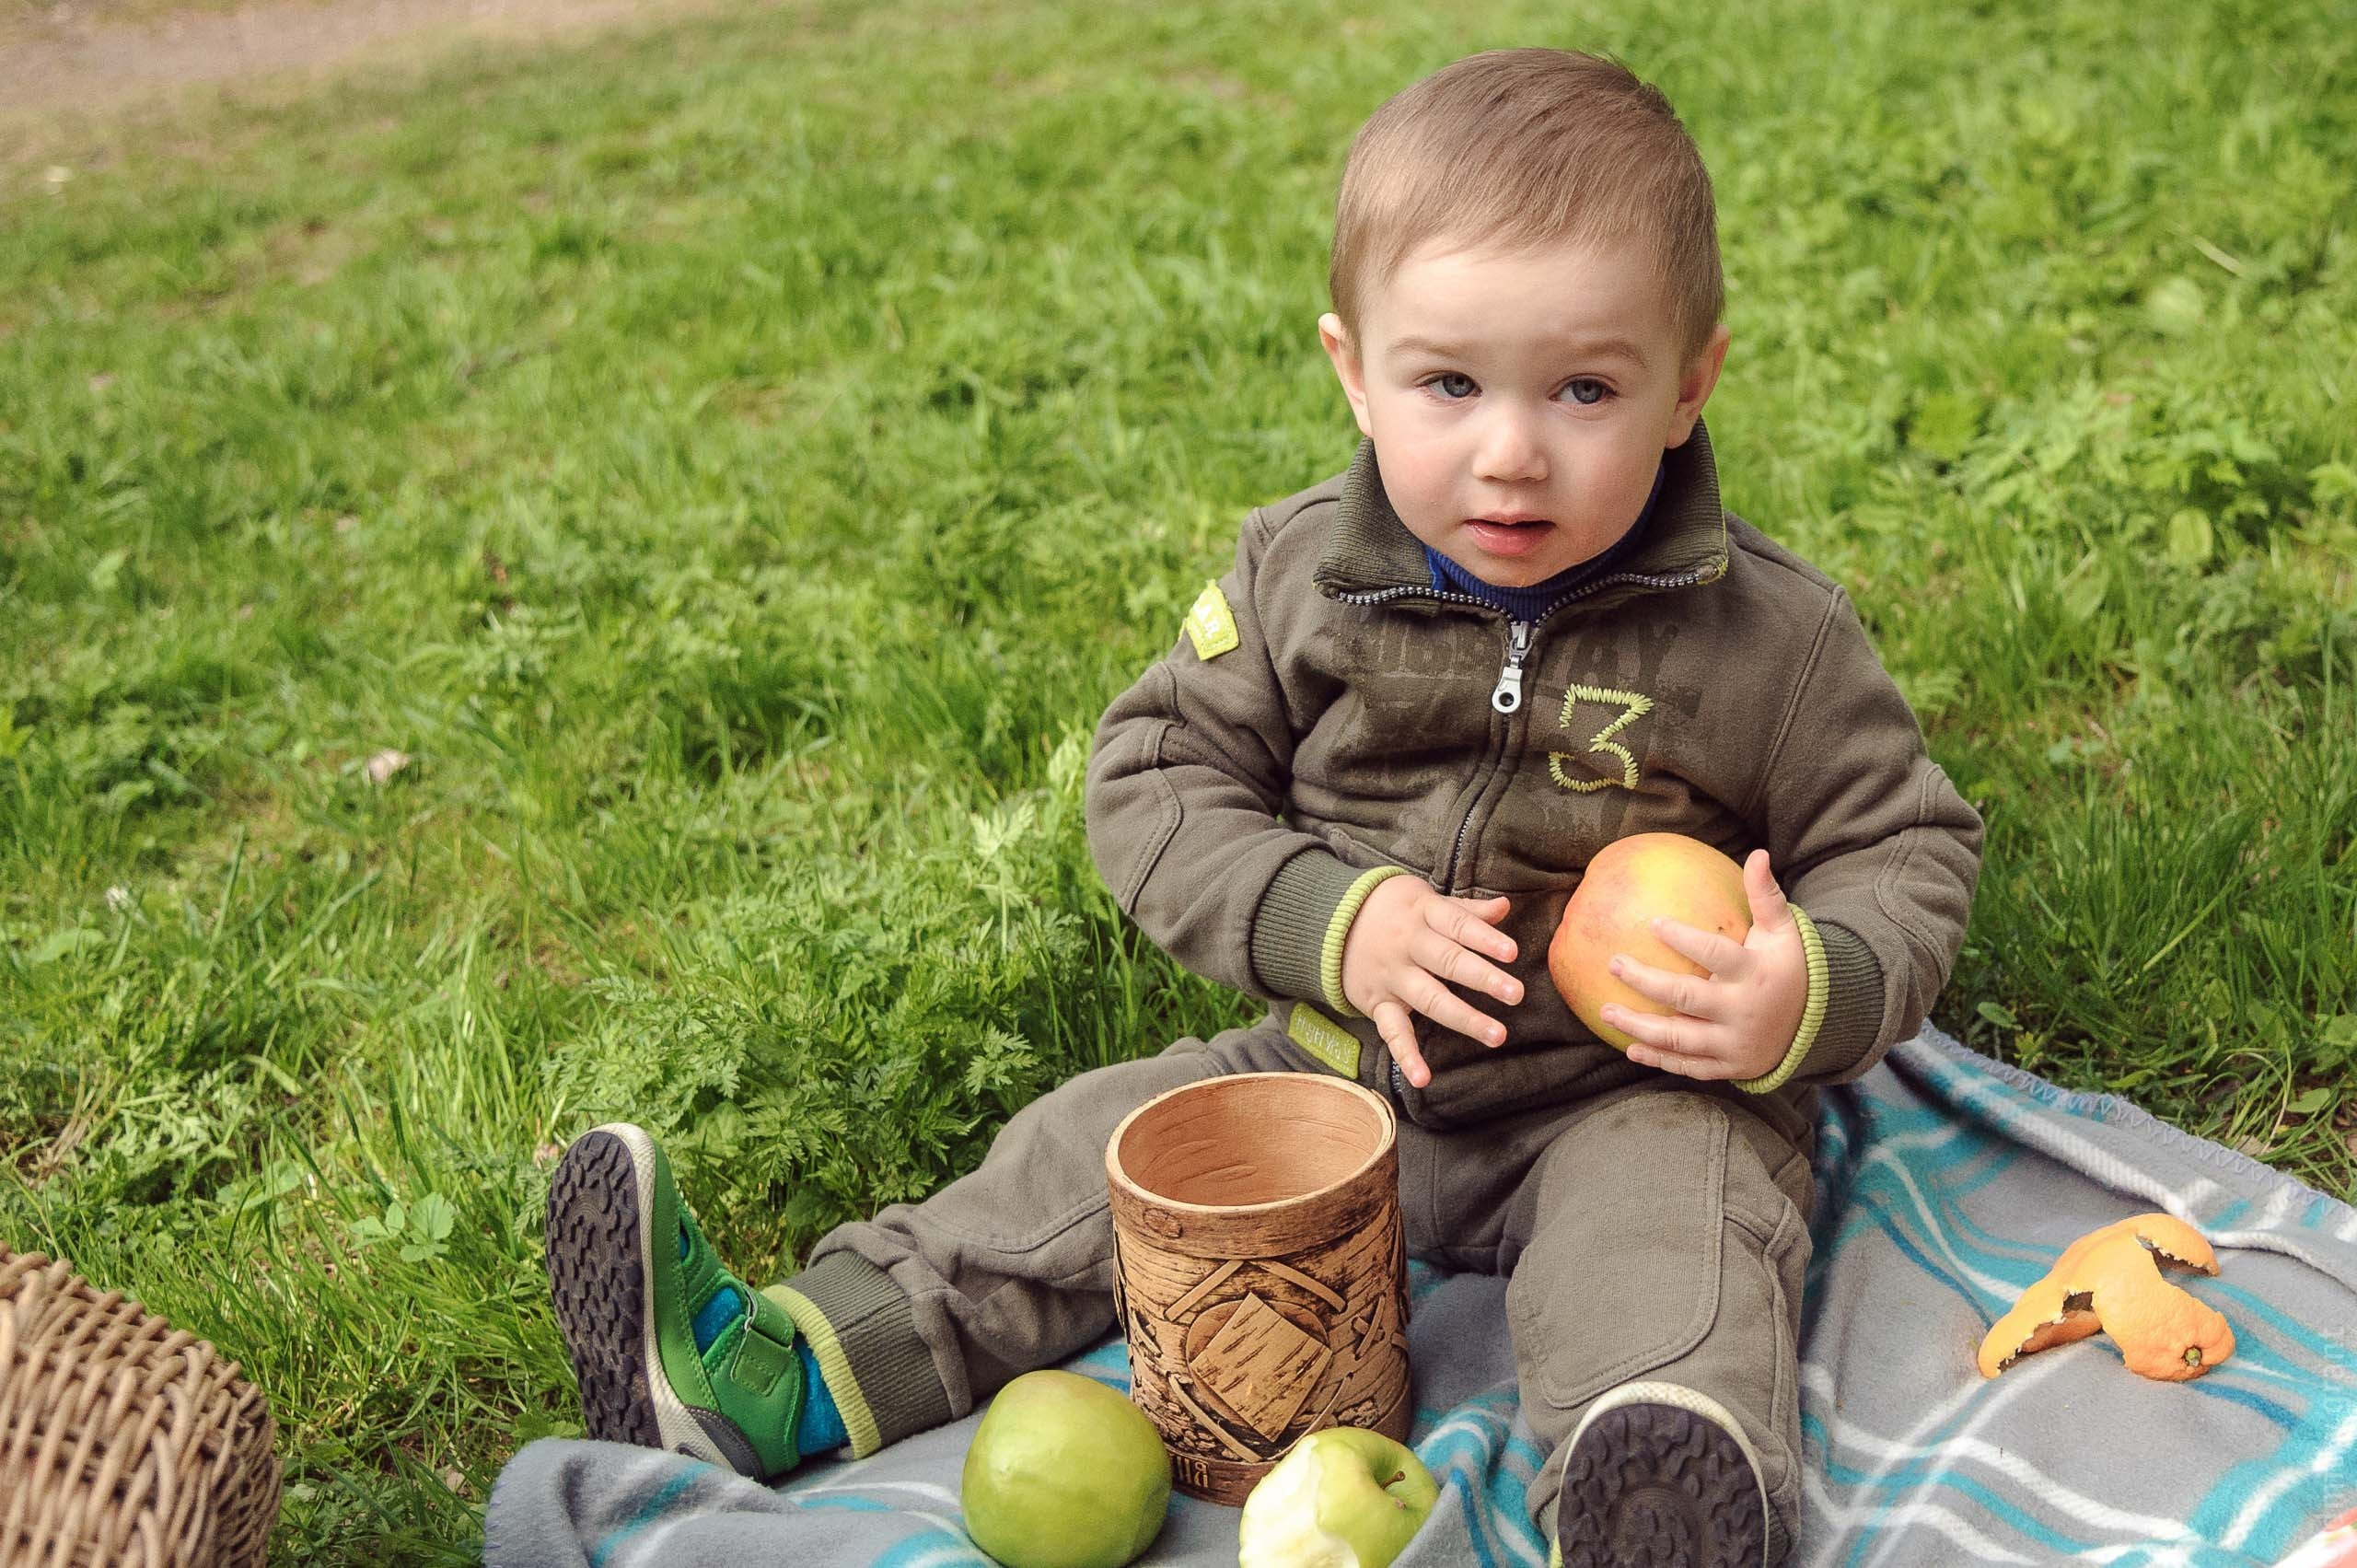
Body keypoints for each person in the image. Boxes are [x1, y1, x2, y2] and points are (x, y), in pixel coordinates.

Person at [541, 47, 1982, 1567]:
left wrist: (1799, 993)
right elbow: (1153, 779)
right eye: (1446, 384)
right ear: (1350, 369)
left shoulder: (1769, 637)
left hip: (1627, 1099)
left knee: (1680, 1247)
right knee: (1079, 1169)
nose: (1509, 449)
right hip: (1325, 1070)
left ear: (1690, 383)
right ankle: (769, 1379)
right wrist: (1332, 925)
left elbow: (1906, 844)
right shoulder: (1300, 582)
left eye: (1584, 388)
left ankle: (1659, 1488)